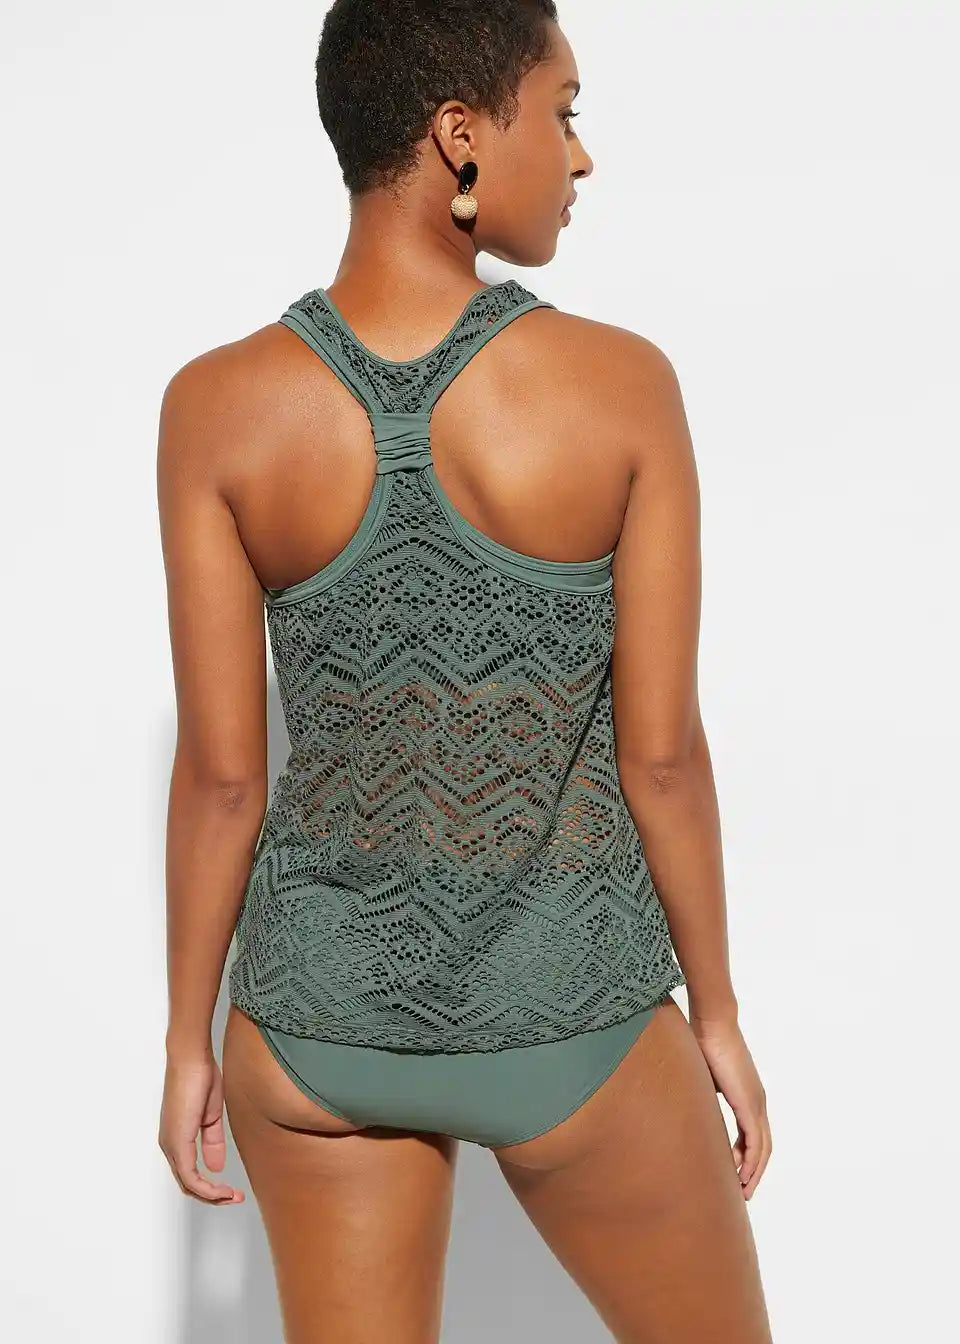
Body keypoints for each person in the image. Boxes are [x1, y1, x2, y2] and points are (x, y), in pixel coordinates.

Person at [156, 2, 773, 1340]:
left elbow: (221, 780)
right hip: (571, 1014)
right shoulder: (621, 386)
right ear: (461, 137)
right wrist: (717, 1015)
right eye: (562, 111)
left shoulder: (216, 407)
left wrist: (186, 1038)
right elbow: (662, 758)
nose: (582, 153)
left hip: (314, 1032)